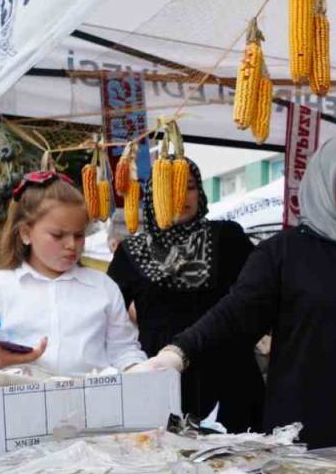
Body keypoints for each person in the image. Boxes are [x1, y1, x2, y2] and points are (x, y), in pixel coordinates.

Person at [134, 137, 336, 449]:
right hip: (303, 442)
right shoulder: (282, 254)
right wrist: (177, 354)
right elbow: (235, 316)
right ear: (321, 187)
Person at [108, 158, 263, 431]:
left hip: (231, 376)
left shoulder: (227, 237)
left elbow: (260, 295)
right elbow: (108, 317)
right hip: (163, 379)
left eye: (188, 187)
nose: (180, 197)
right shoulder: (130, 252)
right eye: (168, 189)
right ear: (153, 196)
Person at [0, 174, 147, 376]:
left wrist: (140, 369)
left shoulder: (103, 287)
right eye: (58, 235)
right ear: (25, 233)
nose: (71, 245)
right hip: (21, 404)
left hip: (94, 403)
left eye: (79, 235)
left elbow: (124, 350)